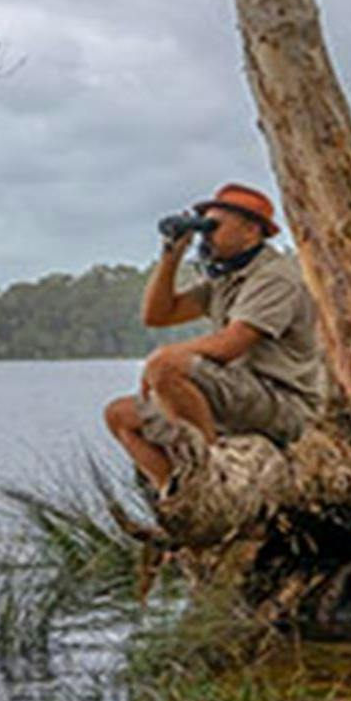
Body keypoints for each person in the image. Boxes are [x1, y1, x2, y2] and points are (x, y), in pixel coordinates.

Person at [103, 182, 328, 496]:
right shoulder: (225, 279)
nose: (206, 237)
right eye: (203, 228)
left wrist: (160, 361)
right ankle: (180, 497)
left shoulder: (275, 277)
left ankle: (212, 476)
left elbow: (231, 344)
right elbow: (158, 315)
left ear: (251, 230)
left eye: (213, 228)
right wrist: (171, 255)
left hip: (283, 404)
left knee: (168, 366)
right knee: (121, 415)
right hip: (241, 396)